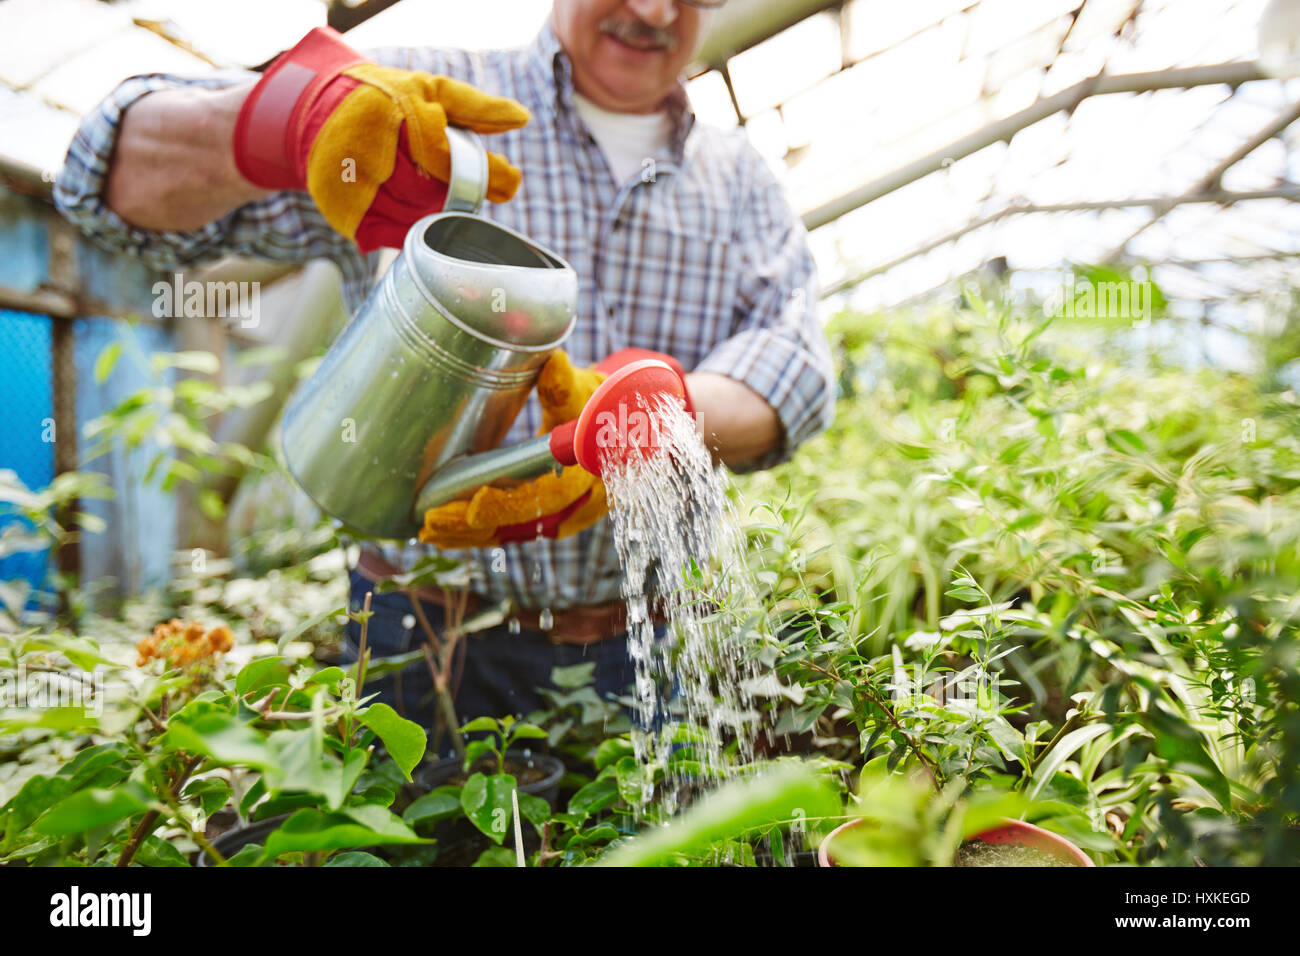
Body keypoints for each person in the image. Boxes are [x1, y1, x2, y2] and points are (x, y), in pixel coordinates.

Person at [54, 0, 835, 747]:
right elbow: (103, 182)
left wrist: (654, 412)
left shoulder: (739, 180)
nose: (658, 12)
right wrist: (290, 120)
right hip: (424, 632)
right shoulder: (419, 107)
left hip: (649, 635)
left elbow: (796, 366)